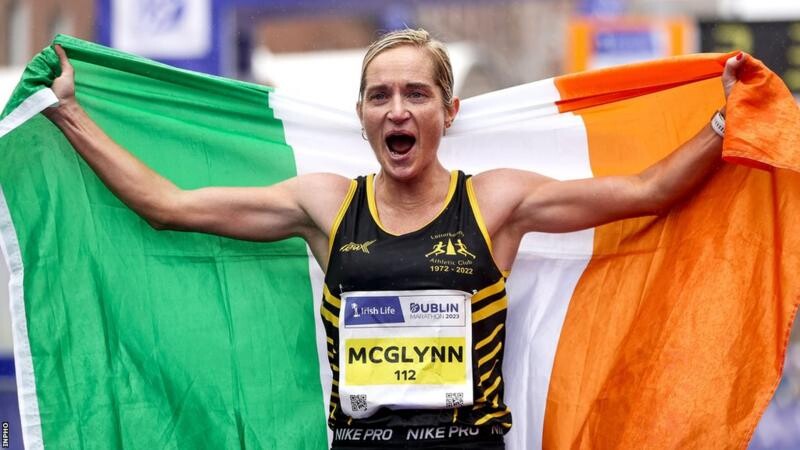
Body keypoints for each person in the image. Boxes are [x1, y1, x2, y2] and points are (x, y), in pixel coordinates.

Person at [43, 28, 745, 450]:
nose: (397, 109)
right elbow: (167, 206)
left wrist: (725, 122)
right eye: (380, 96)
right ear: (362, 115)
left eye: (416, 94)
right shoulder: (325, 204)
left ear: (449, 110)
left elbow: (648, 192)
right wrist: (69, 112)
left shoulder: (495, 201)